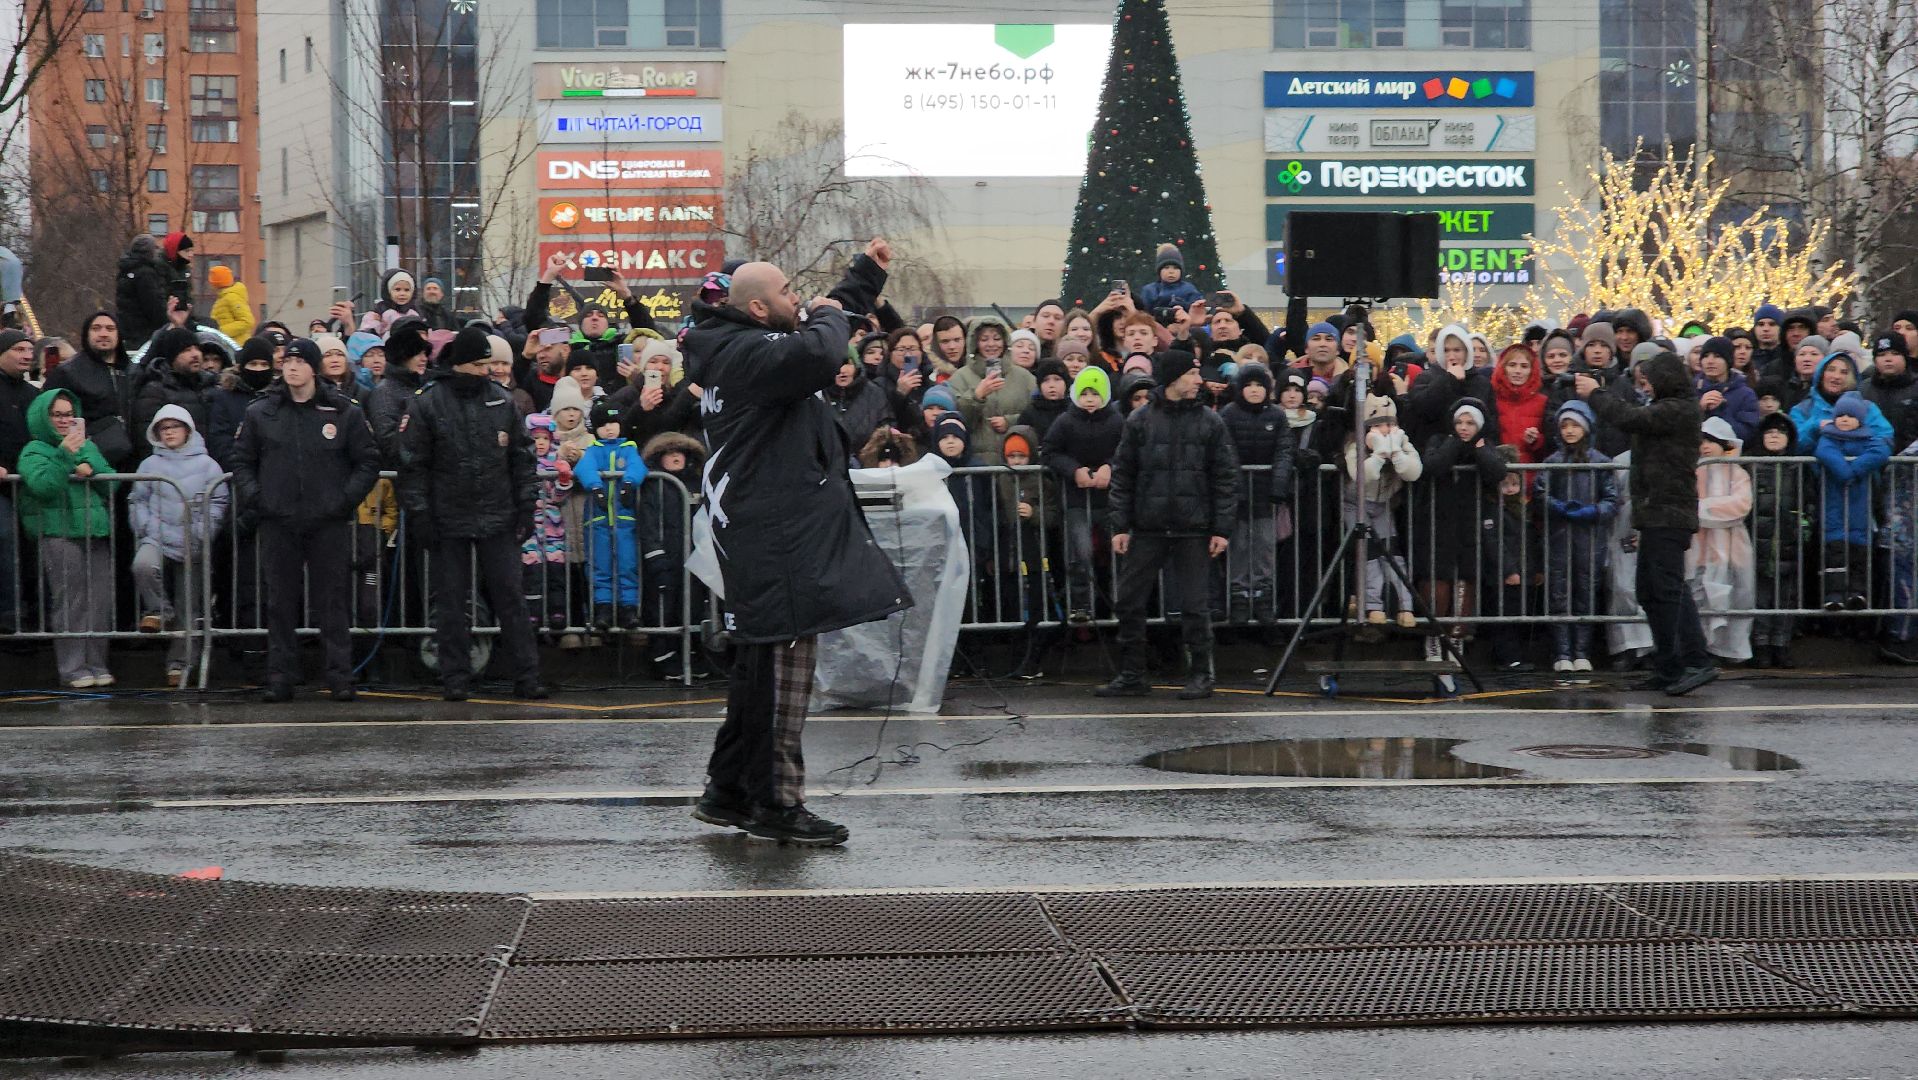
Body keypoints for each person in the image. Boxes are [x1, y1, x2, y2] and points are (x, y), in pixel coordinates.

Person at [682, 238, 910, 846]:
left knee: (758, 671)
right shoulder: (748, 354)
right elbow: (820, 349)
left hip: (766, 528)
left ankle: (728, 790)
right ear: (758, 309)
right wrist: (831, 314)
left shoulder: (737, 346)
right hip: (774, 534)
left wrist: (864, 275)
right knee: (784, 670)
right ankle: (778, 802)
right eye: (786, 291)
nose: (797, 297)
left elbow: (813, 334)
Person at [400, 326, 549, 702]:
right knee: (451, 603)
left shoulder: (502, 401)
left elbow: (522, 458)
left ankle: (527, 675)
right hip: (447, 517)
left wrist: (526, 507)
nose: (489, 371)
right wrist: (421, 515)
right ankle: (454, 676)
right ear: (462, 363)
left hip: (497, 514)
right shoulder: (428, 402)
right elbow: (413, 465)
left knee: (511, 598)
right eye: (482, 365)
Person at [231, 339, 379, 702]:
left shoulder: (343, 411)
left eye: (300, 361)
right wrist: (258, 499)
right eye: (288, 361)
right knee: (280, 603)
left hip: (327, 521)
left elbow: (368, 461)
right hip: (278, 521)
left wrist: (343, 501)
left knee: (332, 602)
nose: (292, 367)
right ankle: (280, 677)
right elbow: (241, 461)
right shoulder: (261, 412)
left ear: (314, 368)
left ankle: (340, 677)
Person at [1098, 350, 1239, 700]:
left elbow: (1225, 477)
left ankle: (1201, 674)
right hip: (1148, 526)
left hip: (1194, 528)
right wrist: (1120, 525)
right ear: (1174, 377)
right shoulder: (1140, 420)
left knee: (1194, 605)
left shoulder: (1210, 421)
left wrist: (1221, 529)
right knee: (1129, 600)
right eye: (1191, 373)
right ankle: (1132, 674)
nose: (1198, 380)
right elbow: (1123, 475)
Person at [1577, 352, 1716, 695]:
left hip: (1669, 513)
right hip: (1656, 514)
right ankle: (1669, 666)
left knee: (1667, 588)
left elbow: (1628, 417)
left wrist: (1595, 393)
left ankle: (1696, 660)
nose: (1646, 386)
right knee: (1652, 590)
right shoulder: (1667, 408)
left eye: (1650, 380)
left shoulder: (1678, 409)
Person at [19, 389, 117, 688]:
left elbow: (111, 484)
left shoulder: (86, 445)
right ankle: (73, 668)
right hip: (58, 533)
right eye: (57, 415)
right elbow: (42, 485)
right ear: (43, 417)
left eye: (68, 414)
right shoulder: (33, 451)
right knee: (71, 601)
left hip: (94, 531)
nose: (64, 420)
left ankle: (97, 664)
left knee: (99, 601)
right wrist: (66, 458)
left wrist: (91, 467)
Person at [128, 404, 227, 687]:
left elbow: (218, 501)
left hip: (192, 541)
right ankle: (159, 610)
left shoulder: (208, 465)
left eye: (174, 427)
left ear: (188, 430)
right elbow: (137, 499)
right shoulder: (149, 465)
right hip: (156, 536)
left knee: (189, 606)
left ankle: (180, 665)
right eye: (163, 428)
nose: (169, 432)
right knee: (142, 566)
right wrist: (145, 527)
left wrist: (202, 531)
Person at [1416, 398, 1507, 661]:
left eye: (1470, 423)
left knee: (1465, 582)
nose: (1464, 427)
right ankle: (1434, 638)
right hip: (1437, 522)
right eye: (1460, 422)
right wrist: (1455, 443)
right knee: (1436, 580)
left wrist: (1480, 450)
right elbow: (1433, 465)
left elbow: (1497, 471)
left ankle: (1456, 639)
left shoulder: (1485, 445)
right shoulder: (1438, 440)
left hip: (1469, 523)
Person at [1537, 400, 1617, 674]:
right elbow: (1540, 494)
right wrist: (1557, 507)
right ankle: (1562, 652)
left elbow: (1611, 499)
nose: (1570, 431)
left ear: (1586, 428)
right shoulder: (1552, 461)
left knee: (1587, 591)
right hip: (1559, 536)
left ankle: (1582, 652)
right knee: (1558, 592)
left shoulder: (1601, 462)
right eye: (1565, 426)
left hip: (1590, 536)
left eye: (1575, 425)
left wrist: (1593, 511)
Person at [1043, 366, 1124, 624]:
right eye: (1085, 393)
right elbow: (1050, 452)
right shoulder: (1065, 421)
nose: (1090, 399)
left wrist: (1110, 467)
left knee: (1119, 552)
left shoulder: (1117, 421)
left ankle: (1123, 603)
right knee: (1080, 553)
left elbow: (1127, 451)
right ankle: (1081, 605)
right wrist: (1074, 470)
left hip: (1111, 500)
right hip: (1076, 499)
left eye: (1095, 393)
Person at [1218, 361, 1295, 623]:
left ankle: (1263, 595)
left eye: (1259, 385)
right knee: (1239, 546)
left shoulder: (1277, 416)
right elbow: (1226, 451)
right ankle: (1239, 595)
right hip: (1236, 497)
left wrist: (1279, 485)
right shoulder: (1228, 414)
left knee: (1264, 546)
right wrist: (1235, 486)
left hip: (1265, 496)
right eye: (1248, 385)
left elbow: (1284, 450)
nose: (1254, 390)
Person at [1813, 391, 1890, 613]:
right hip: (1834, 505)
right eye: (1840, 415)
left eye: (1850, 416)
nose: (1844, 419)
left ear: (1860, 419)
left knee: (1859, 551)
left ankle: (1858, 593)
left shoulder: (1869, 437)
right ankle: (1834, 595)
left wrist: (1855, 469)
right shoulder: (1828, 437)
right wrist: (1847, 473)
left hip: (1860, 506)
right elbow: (1825, 452)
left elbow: (1881, 451)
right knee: (1834, 551)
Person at [575, 400, 648, 632]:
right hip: (598, 519)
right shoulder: (594, 450)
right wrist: (595, 486)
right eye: (603, 424)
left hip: (625, 518)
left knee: (627, 563)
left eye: (613, 423)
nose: (609, 428)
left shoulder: (628, 448)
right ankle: (603, 608)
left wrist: (628, 483)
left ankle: (629, 608)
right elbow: (584, 467)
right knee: (600, 564)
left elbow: (638, 466)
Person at [42, 312, 138, 468]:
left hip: (132, 461)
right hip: (87, 464)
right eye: (96, 328)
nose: (103, 333)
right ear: (87, 334)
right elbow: (47, 419)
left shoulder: (133, 371)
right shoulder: (67, 373)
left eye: (110, 329)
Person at [1746, 412, 1804, 667]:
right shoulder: (1751, 466)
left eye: (1780, 432)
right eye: (1769, 432)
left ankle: (1781, 644)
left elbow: (1808, 503)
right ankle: (1761, 645)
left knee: (1786, 596)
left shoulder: (1798, 467)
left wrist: (1805, 529)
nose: (1774, 436)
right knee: (1760, 597)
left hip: (1789, 542)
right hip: (1757, 543)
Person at [0, 329, 35, 633]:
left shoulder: (32, 395)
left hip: (28, 484)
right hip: (3, 486)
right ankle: (9, 613)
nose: (27, 355)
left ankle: (32, 613)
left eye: (29, 350)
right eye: (19, 349)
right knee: (6, 538)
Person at [131, 326, 212, 435]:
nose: (195, 354)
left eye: (197, 349)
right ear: (172, 356)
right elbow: (148, 436)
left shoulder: (209, 384)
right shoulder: (154, 391)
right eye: (186, 350)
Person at [115, 235, 172, 346]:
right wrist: (166, 324)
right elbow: (153, 305)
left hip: (127, 328)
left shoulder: (126, 270)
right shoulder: (146, 273)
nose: (158, 252)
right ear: (149, 251)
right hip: (144, 331)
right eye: (155, 248)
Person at [1137, 243, 1204, 313]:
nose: (1171, 272)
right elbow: (1142, 313)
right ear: (1159, 271)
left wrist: (1185, 306)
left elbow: (1199, 309)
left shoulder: (1189, 289)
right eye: (1166, 268)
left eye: (1175, 268)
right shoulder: (1150, 290)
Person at [208, 265, 255, 342]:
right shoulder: (223, 298)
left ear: (216, 283)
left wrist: (220, 332)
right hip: (228, 343)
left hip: (236, 344)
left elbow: (247, 321)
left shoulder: (232, 297)